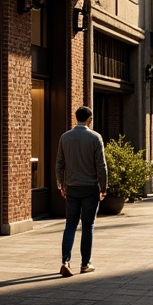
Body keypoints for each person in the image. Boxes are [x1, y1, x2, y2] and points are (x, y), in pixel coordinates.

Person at [55, 105, 107, 277]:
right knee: (87, 225)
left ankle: (65, 261)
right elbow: (101, 166)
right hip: (90, 188)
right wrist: (103, 187)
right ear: (89, 119)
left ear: (76, 117)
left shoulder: (65, 137)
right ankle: (85, 264)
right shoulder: (95, 137)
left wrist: (61, 185)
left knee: (70, 224)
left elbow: (59, 164)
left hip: (71, 187)